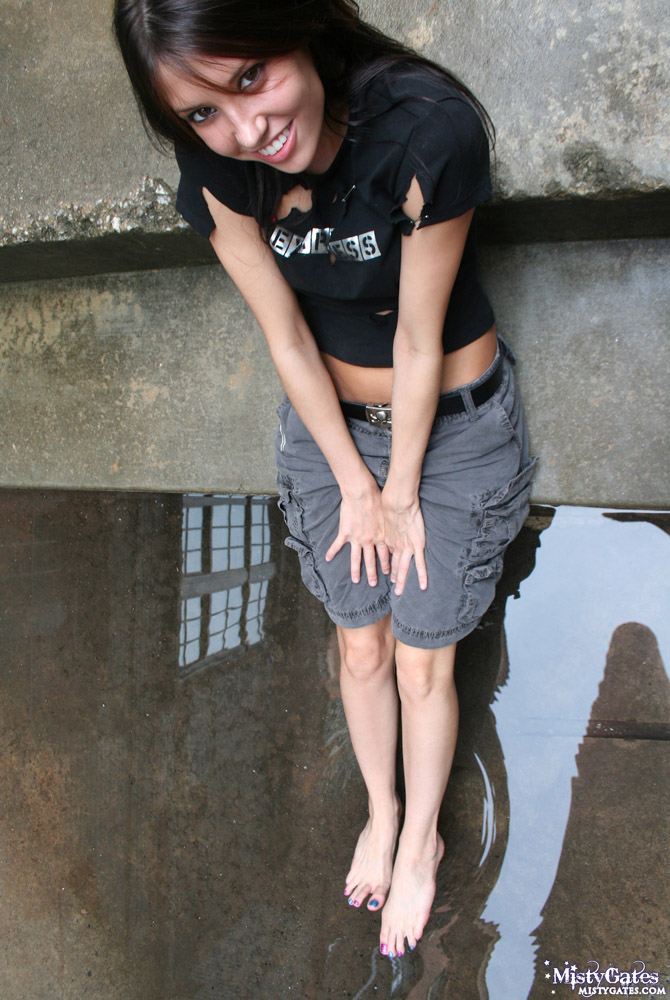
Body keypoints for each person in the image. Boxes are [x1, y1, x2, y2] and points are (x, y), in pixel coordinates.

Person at [114, 0, 535, 959]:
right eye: (203, 112)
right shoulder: (219, 172)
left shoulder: (423, 130)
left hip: (450, 426)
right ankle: (382, 812)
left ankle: (422, 841)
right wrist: (353, 482)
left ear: (294, 27)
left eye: (250, 77)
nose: (245, 129)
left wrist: (399, 494)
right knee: (362, 647)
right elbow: (288, 338)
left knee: (423, 659)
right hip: (330, 432)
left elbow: (419, 339)